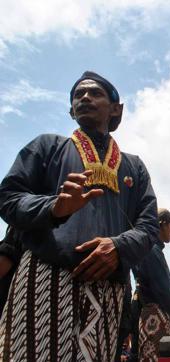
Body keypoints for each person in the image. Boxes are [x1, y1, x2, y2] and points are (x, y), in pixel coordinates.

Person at [0, 71, 159, 361]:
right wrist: (53, 208)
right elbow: (8, 197)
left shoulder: (134, 167)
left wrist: (118, 246)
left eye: (95, 93)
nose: (84, 97)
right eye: (78, 95)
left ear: (116, 109)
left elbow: (148, 227)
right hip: (46, 279)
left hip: (108, 290)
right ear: (70, 110)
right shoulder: (47, 146)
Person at [133, 208, 170, 361]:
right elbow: (164, 289)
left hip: (148, 314)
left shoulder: (145, 248)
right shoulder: (152, 250)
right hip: (157, 316)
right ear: (162, 224)